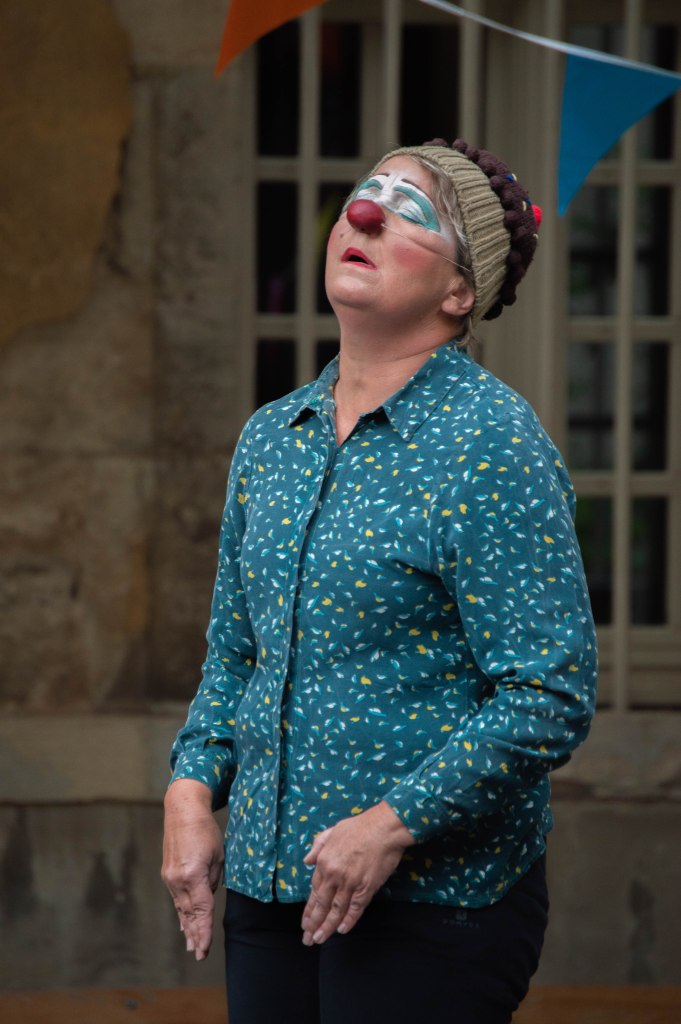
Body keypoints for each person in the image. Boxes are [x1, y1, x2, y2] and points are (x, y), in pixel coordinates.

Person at [162, 138, 598, 1024]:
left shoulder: (490, 442)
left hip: (433, 905)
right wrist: (189, 790)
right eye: (366, 192)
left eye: (411, 212)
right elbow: (235, 655)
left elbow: (549, 691)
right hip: (268, 889)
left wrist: (389, 824)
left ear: (459, 292)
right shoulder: (271, 437)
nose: (363, 214)